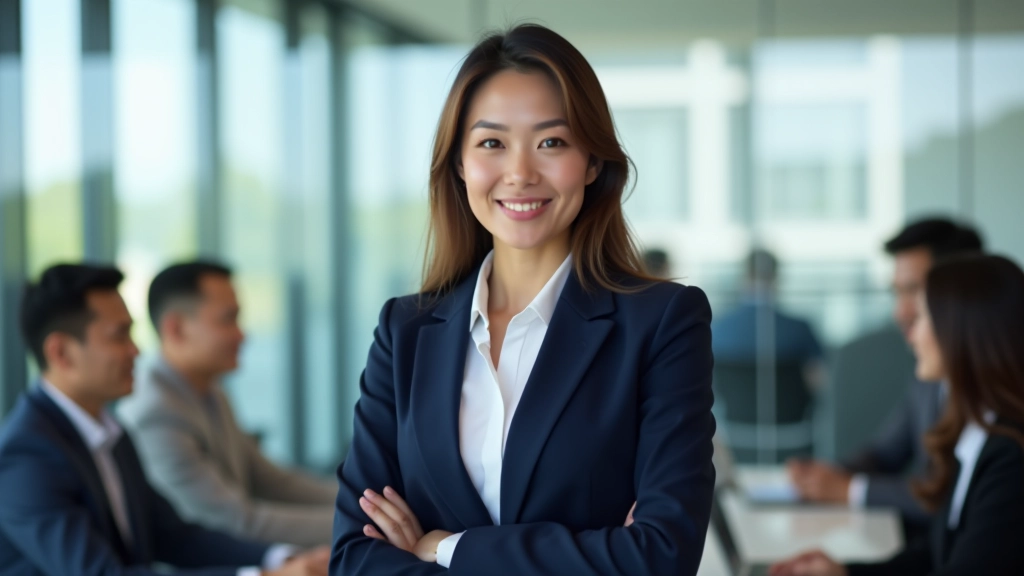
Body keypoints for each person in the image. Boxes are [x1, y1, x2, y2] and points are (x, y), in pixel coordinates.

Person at [329, 24, 715, 576]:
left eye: (551, 142)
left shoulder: (661, 324)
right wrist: (592, 552)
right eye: (492, 143)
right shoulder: (406, 331)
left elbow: (660, 556)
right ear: (460, 164)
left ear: (591, 161)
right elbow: (354, 558)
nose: (520, 173)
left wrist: (444, 548)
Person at [0, 263, 328, 576]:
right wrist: (265, 574)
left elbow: (174, 537)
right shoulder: (26, 455)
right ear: (61, 352)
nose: (136, 351)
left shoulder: (112, 434)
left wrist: (284, 557)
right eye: (119, 336)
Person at [770, 254, 1024, 576]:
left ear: (961, 334)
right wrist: (844, 573)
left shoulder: (1010, 455)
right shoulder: (973, 435)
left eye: (922, 319)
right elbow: (935, 554)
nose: (911, 334)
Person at [118, 261, 336, 547]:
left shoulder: (209, 391)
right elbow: (235, 522)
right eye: (228, 319)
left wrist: (363, 500)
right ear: (177, 329)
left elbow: (267, 480)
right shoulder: (154, 413)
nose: (241, 334)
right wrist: (363, 525)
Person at [788, 218, 983, 528]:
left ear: (959, 291)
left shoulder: (995, 394)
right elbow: (886, 452)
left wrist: (850, 490)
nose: (901, 312)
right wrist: (826, 476)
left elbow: (951, 495)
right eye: (897, 293)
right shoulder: (926, 377)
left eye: (914, 291)